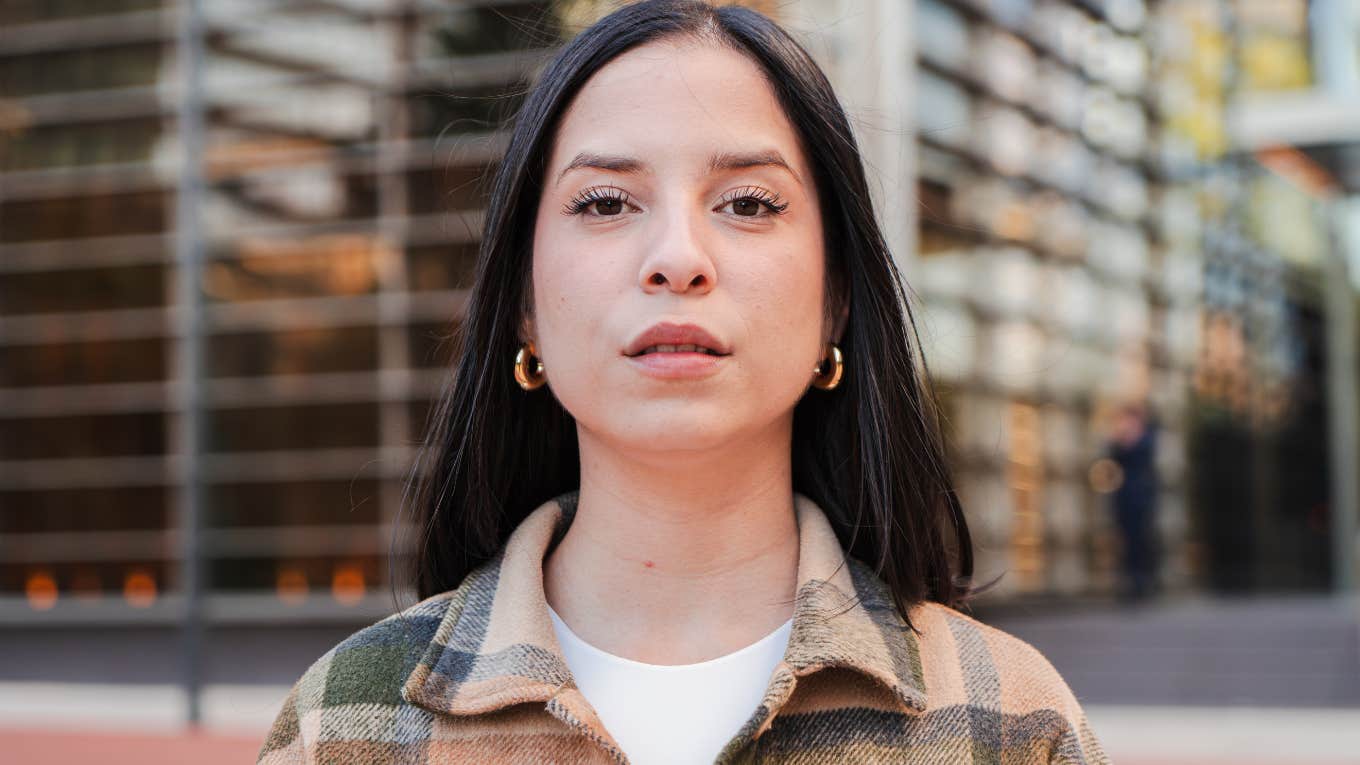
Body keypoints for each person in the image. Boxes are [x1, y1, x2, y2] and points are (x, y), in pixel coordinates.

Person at [257, 2, 1108, 762]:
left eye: (747, 203)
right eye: (603, 203)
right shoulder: (347, 724)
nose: (676, 259)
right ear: (523, 306)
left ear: (834, 304)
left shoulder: (1006, 720)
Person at [1107, 400, 1161, 603]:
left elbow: (1139, 454)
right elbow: (1113, 453)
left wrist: (1128, 438)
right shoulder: (1120, 438)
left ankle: (1143, 581)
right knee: (1125, 539)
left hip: (1141, 495)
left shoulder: (1148, 437)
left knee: (1142, 539)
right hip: (1124, 495)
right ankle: (1130, 581)